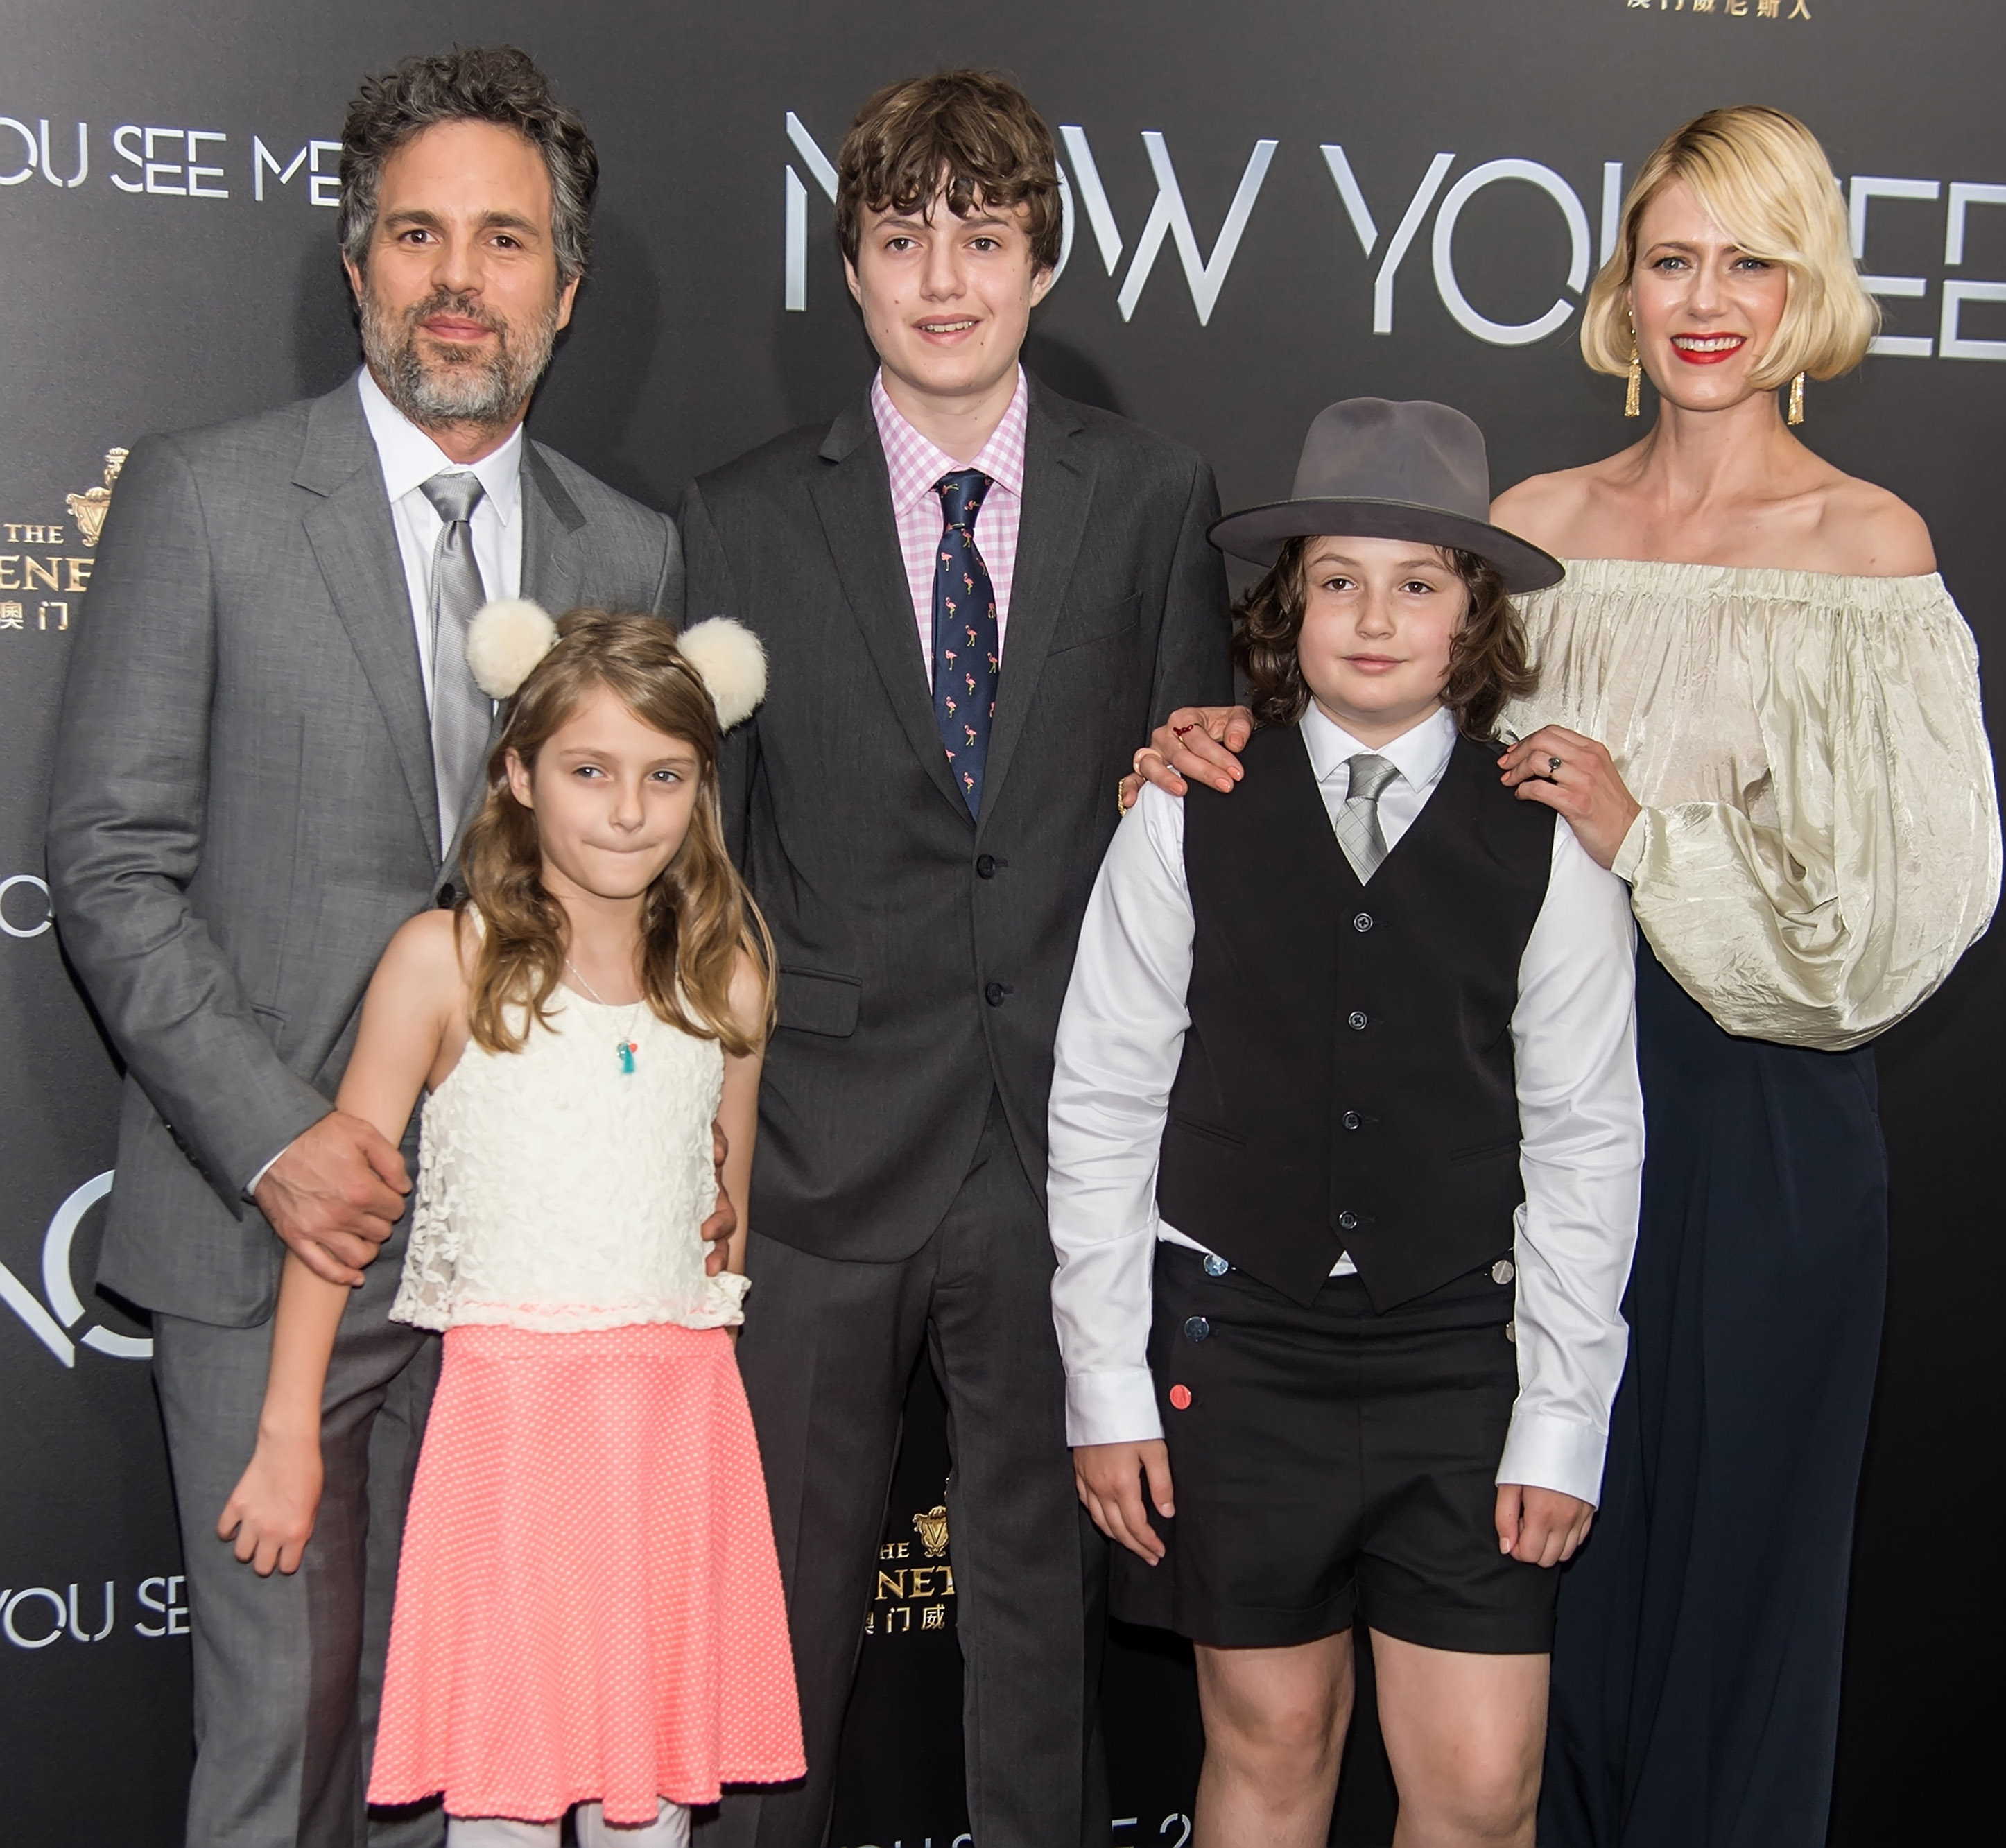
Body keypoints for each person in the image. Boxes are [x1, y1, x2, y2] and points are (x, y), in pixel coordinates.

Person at [1130, 109, 2000, 1848]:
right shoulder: (1534, 527)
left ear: (1809, 285)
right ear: (1622, 285)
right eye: (1673, 257)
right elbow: (1390, 770)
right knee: (1531, 1600)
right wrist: (1236, 740)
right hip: (1508, 1133)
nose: (1708, 300)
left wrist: (1647, 836)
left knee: (1733, 1586)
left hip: (1759, 1131)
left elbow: (1914, 917)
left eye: (1751, 261)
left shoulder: (1869, 554)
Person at [45, 48, 699, 1848]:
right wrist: (282, 1140)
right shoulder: (203, 494)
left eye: (504, 241)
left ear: (565, 291)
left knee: (468, 1742)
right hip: (268, 1247)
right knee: (283, 1740)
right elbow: (106, 863)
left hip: (522, 1278)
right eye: (417, 234)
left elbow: (660, 902)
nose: (457, 281)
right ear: (358, 268)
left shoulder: (630, 546)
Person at [677, 69, 1232, 1848]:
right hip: (820, 1153)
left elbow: (1186, 828)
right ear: (848, 264)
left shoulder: (1153, 498)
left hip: (1059, 1155)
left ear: (1041, 264)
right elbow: (710, 867)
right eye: (903, 237)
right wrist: (716, 1156)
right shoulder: (746, 514)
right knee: (775, 1631)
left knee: (1037, 1627)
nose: (942, 279)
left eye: (982, 239)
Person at [1054, 397, 1643, 1848]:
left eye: (1419, 582)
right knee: (1270, 1745)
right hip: (1239, 1349)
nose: (1374, 618)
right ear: (1290, 604)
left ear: (1472, 615)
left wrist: (1563, 1413)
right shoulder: (1182, 808)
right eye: (1338, 580)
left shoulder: (1546, 842)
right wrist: (1106, 1383)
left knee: (1484, 1785)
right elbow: (1105, 1103)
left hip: (1462, 1359)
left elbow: (1585, 1135)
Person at [216, 605, 802, 1848]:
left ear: (703, 787)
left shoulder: (729, 972)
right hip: (513, 1435)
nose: (629, 810)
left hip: (676, 1436)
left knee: (648, 1810)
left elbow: (723, 1230)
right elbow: (341, 1217)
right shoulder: (445, 961)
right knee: (506, 1804)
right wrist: (286, 1433)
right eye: (590, 770)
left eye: (666, 776)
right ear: (518, 772)